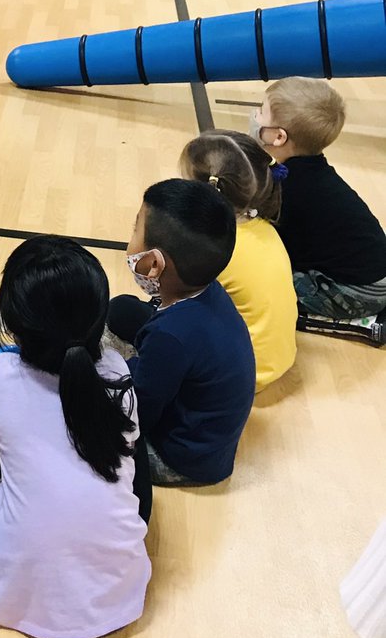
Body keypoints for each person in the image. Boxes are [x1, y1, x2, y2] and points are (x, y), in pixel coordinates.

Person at [0, 237, 151, 638]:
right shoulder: (117, 371)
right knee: (127, 443)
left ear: (14, 322)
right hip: (121, 588)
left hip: (27, 592)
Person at [108, 179, 256, 486]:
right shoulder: (206, 289)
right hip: (203, 430)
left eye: (136, 230)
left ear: (153, 264)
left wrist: (111, 373)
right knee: (120, 309)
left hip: (182, 459)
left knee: (82, 427)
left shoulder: (170, 337)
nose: (130, 238)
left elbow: (139, 414)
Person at [252, 77, 386, 324]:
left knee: (257, 280)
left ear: (279, 137)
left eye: (261, 112)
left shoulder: (290, 190)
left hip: (360, 292)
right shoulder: (309, 169)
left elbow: (278, 250)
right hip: (374, 274)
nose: (255, 117)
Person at [179, 129, 297, 390]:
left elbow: (176, 308)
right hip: (278, 359)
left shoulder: (214, 246)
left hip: (239, 375)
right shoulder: (264, 228)